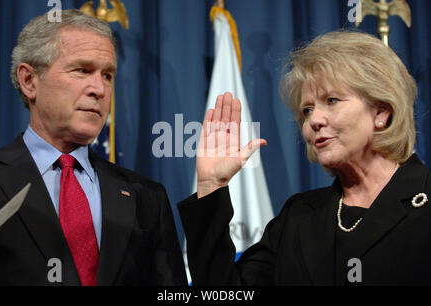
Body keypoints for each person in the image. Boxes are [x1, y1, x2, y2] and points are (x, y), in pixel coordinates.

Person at [178, 30, 430, 285]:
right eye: (307, 110)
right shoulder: (298, 217)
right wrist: (211, 186)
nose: (314, 121)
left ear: (381, 112)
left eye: (332, 100)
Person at [0, 9, 186, 286]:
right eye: (83, 70)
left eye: (108, 75)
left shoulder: (147, 198)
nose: (99, 89)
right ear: (29, 81)